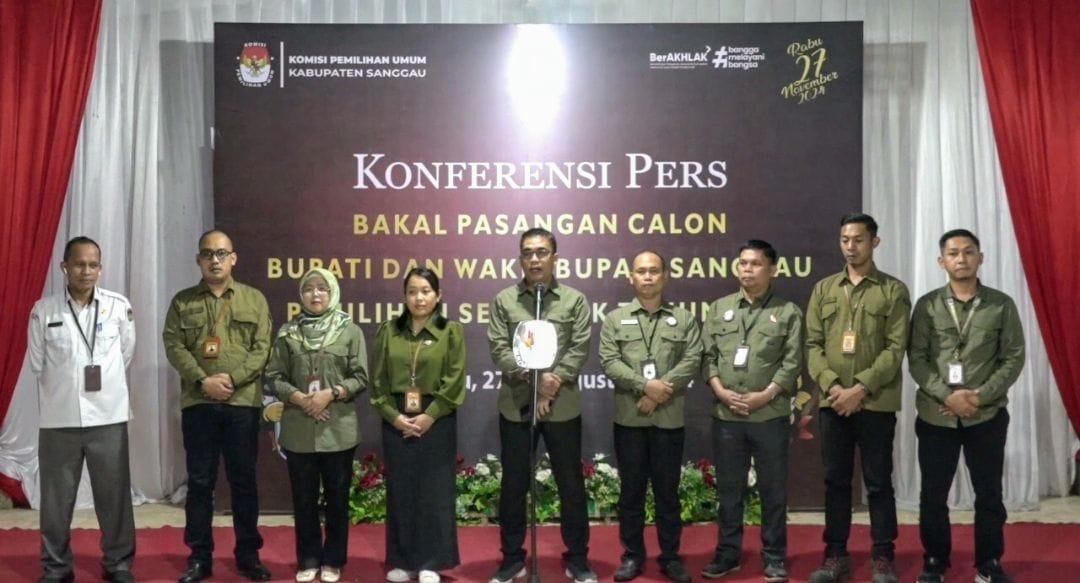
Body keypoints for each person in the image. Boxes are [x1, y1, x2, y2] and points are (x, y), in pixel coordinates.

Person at [908, 229, 1025, 583]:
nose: (961, 259)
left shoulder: (1001, 304)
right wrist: (947, 396)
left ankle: (989, 562)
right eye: (953, 253)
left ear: (980, 257)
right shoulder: (927, 305)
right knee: (933, 495)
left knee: (989, 494)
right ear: (941, 261)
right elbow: (917, 359)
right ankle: (935, 561)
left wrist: (979, 396)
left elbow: (1013, 358)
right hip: (936, 416)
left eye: (969, 252)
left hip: (985, 416)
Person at [163, 229, 273, 582]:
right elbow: (174, 346)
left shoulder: (254, 299)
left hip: (242, 404)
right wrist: (203, 380)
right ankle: (199, 557)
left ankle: (248, 555)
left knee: (244, 482)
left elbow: (262, 348)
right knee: (200, 483)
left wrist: (233, 380)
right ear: (198, 259)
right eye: (208, 254)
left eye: (221, 253)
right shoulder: (183, 302)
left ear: (233, 258)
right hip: (199, 403)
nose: (215, 260)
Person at [805, 213, 910, 583]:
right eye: (845, 240)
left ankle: (883, 556)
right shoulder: (824, 289)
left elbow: (895, 348)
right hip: (833, 402)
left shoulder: (893, 290)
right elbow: (812, 345)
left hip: (875, 402)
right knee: (836, 482)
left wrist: (861, 388)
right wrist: (834, 387)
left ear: (874, 242)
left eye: (859, 240)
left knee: (878, 481)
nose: (851, 247)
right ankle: (835, 555)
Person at [487, 228, 596, 583]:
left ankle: (578, 558)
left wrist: (552, 383)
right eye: (528, 253)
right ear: (520, 259)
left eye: (542, 252)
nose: (534, 259)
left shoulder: (574, 300)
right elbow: (499, 348)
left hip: (561, 404)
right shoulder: (504, 300)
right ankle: (512, 558)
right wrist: (534, 380)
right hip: (517, 405)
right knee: (514, 484)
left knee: (570, 484)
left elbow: (579, 347)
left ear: (554, 258)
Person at [29, 236, 136, 583]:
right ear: (65, 267)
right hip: (59, 419)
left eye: (93, 265)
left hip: (108, 416)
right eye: (78, 264)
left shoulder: (118, 307)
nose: (86, 271)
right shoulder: (44, 311)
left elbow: (126, 353)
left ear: (100, 268)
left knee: (114, 497)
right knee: (56, 501)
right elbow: (37, 363)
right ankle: (56, 567)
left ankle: (118, 564)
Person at [701, 240, 803, 583]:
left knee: (773, 491)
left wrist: (767, 394)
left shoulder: (787, 312)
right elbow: (708, 357)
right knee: (729, 492)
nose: (747, 269)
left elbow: (792, 362)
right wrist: (720, 390)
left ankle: (774, 556)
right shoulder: (719, 308)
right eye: (743, 263)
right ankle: (727, 553)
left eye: (755, 264)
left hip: (769, 416)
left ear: (772, 269)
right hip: (727, 416)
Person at [599, 250, 702, 583]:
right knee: (631, 491)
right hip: (630, 420)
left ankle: (670, 556)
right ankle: (632, 555)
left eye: (654, 271)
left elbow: (692, 358)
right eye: (641, 271)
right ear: (632, 277)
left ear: (664, 276)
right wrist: (645, 386)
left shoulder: (683, 319)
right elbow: (609, 361)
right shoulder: (615, 319)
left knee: (667, 492)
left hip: (668, 420)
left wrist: (658, 392)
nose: (647, 276)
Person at [264, 268, 368, 583]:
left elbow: (361, 377)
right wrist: (300, 398)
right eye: (309, 289)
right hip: (298, 428)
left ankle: (333, 560)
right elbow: (274, 376)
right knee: (304, 499)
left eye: (323, 288)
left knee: (337, 500)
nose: (316, 294)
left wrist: (330, 394)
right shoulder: (287, 333)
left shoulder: (350, 331)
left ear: (332, 292)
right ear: (301, 295)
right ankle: (308, 558)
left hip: (338, 429)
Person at [371, 267, 467, 583]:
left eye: (426, 291)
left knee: (434, 491)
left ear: (438, 296)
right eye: (412, 291)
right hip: (398, 417)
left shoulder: (450, 331)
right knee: (402, 491)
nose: (419, 298)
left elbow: (455, 380)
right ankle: (403, 560)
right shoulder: (389, 331)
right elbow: (378, 381)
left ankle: (430, 562)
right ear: (405, 296)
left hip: (436, 418)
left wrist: (430, 415)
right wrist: (394, 416)